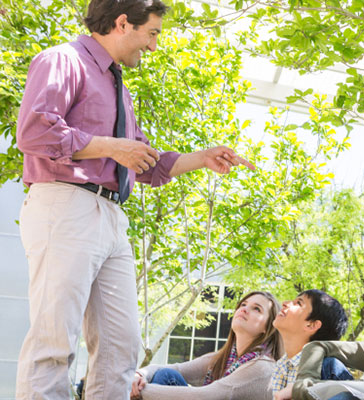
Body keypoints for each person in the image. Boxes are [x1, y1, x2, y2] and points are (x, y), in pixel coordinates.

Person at [14, 0, 255, 398]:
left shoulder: (117, 87)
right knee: (54, 341)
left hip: (110, 216)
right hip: (66, 204)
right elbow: (35, 133)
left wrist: (201, 158)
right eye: (153, 33)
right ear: (123, 23)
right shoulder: (62, 60)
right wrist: (110, 147)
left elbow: (145, 164)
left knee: (120, 345)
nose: (155, 45)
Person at [130, 291, 282, 399]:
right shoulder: (223, 358)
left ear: (267, 328)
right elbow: (176, 369)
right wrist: (139, 375)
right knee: (166, 375)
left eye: (256, 309)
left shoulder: (263, 366)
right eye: (243, 304)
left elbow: (206, 396)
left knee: (164, 378)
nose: (244, 309)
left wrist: (134, 390)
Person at [270, 289, 353, 394]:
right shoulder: (281, 366)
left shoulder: (327, 369)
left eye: (298, 303)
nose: (285, 303)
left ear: (311, 325)